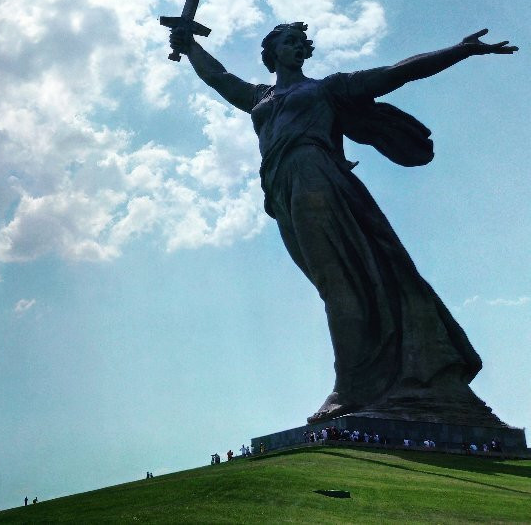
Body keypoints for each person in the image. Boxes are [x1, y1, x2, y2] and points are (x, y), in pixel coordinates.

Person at [170, 24, 517, 423]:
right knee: (331, 284)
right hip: (280, 189)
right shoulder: (259, 97)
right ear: (270, 53)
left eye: (302, 44)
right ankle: (366, 378)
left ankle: (349, 388)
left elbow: (396, 72)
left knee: (338, 282)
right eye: (289, 42)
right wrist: (190, 46)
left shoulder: (326, 89)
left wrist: (460, 49)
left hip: (316, 175)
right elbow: (219, 78)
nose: (297, 48)